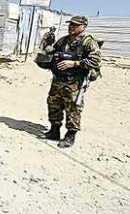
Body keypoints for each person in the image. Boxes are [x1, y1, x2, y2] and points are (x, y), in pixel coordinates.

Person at [43, 15, 101, 148]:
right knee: (53, 104)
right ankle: (54, 130)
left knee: (73, 108)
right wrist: (47, 47)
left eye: (75, 25)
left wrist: (74, 63)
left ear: (83, 27)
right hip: (58, 80)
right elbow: (52, 54)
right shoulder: (62, 41)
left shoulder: (88, 42)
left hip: (75, 83)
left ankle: (70, 136)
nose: (71, 27)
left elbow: (95, 61)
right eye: (71, 24)